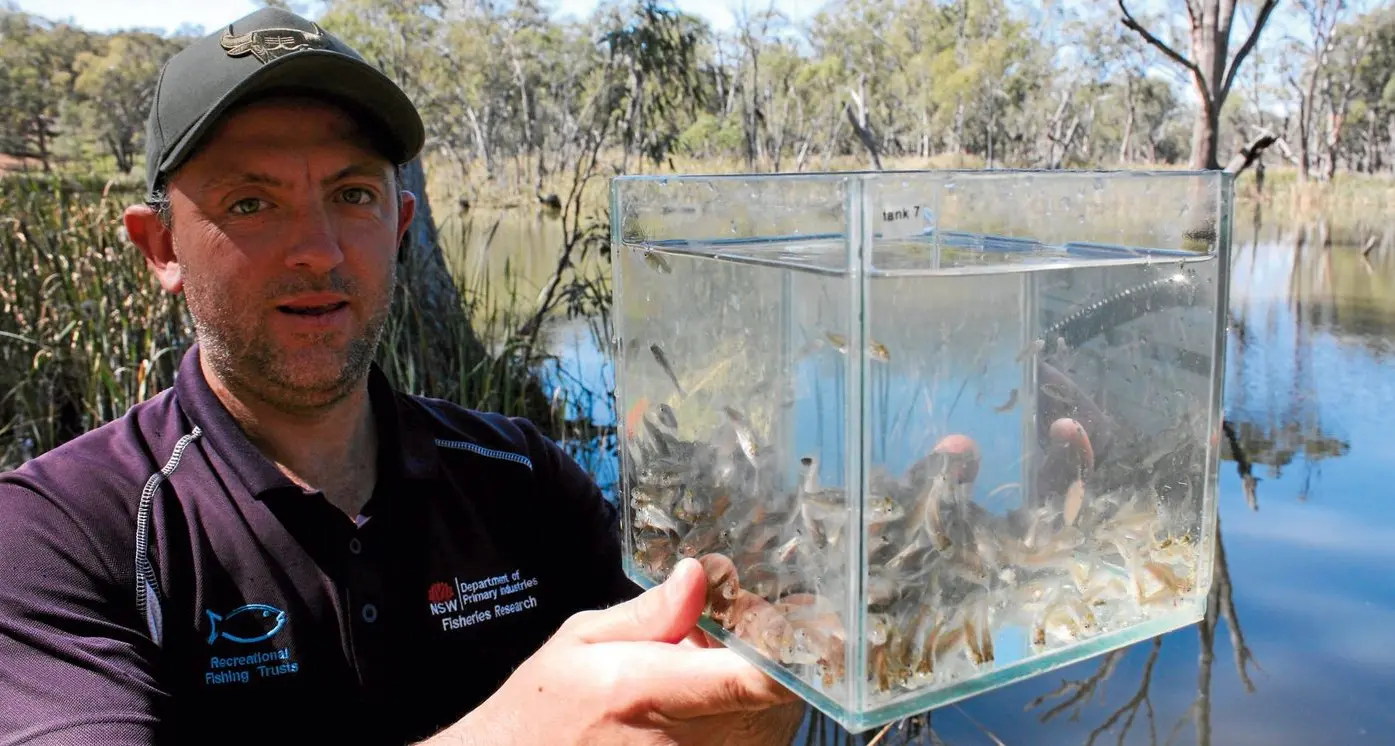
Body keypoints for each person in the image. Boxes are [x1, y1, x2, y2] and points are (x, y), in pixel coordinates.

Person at [0, 8, 804, 745]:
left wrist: (768, 683)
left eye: (352, 195)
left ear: (401, 229)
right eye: (250, 203)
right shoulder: (58, 536)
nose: (317, 248)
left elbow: (696, 713)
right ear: (161, 248)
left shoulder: (523, 480)